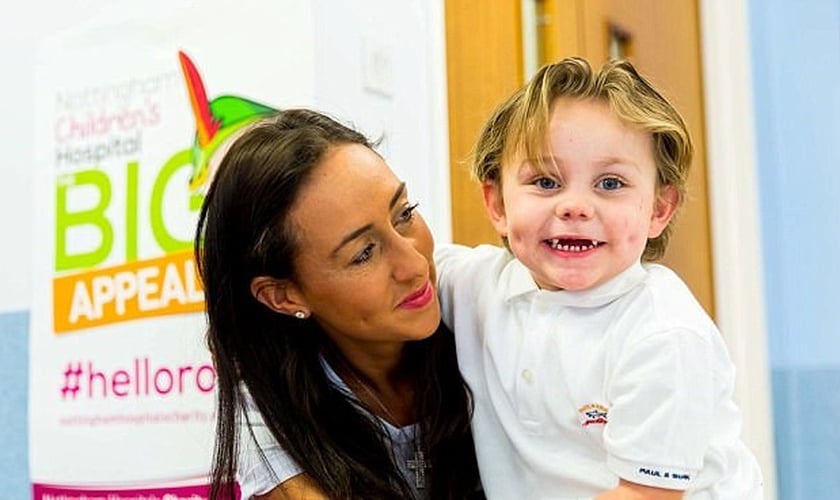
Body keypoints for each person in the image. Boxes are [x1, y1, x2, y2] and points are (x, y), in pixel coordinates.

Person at [435, 57, 764, 499]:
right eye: (546, 181)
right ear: (496, 204)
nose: (575, 206)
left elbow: (644, 496)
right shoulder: (473, 287)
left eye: (610, 184)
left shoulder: (664, 333)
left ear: (659, 210)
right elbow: (390, 275)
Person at [194, 108, 482, 499]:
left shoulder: (476, 299)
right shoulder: (272, 401)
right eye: (364, 254)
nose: (415, 265)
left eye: (404, 215)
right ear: (284, 295)